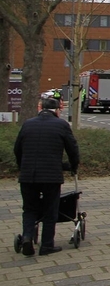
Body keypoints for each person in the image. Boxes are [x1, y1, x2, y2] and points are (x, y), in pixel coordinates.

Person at [14, 93, 80, 256]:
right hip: (51, 176)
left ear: (41, 108)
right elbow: (72, 148)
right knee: (51, 210)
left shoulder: (27, 124)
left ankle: (28, 237)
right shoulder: (61, 125)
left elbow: (17, 149)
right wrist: (73, 166)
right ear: (57, 110)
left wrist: (22, 166)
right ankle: (47, 245)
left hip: (28, 175)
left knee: (29, 209)